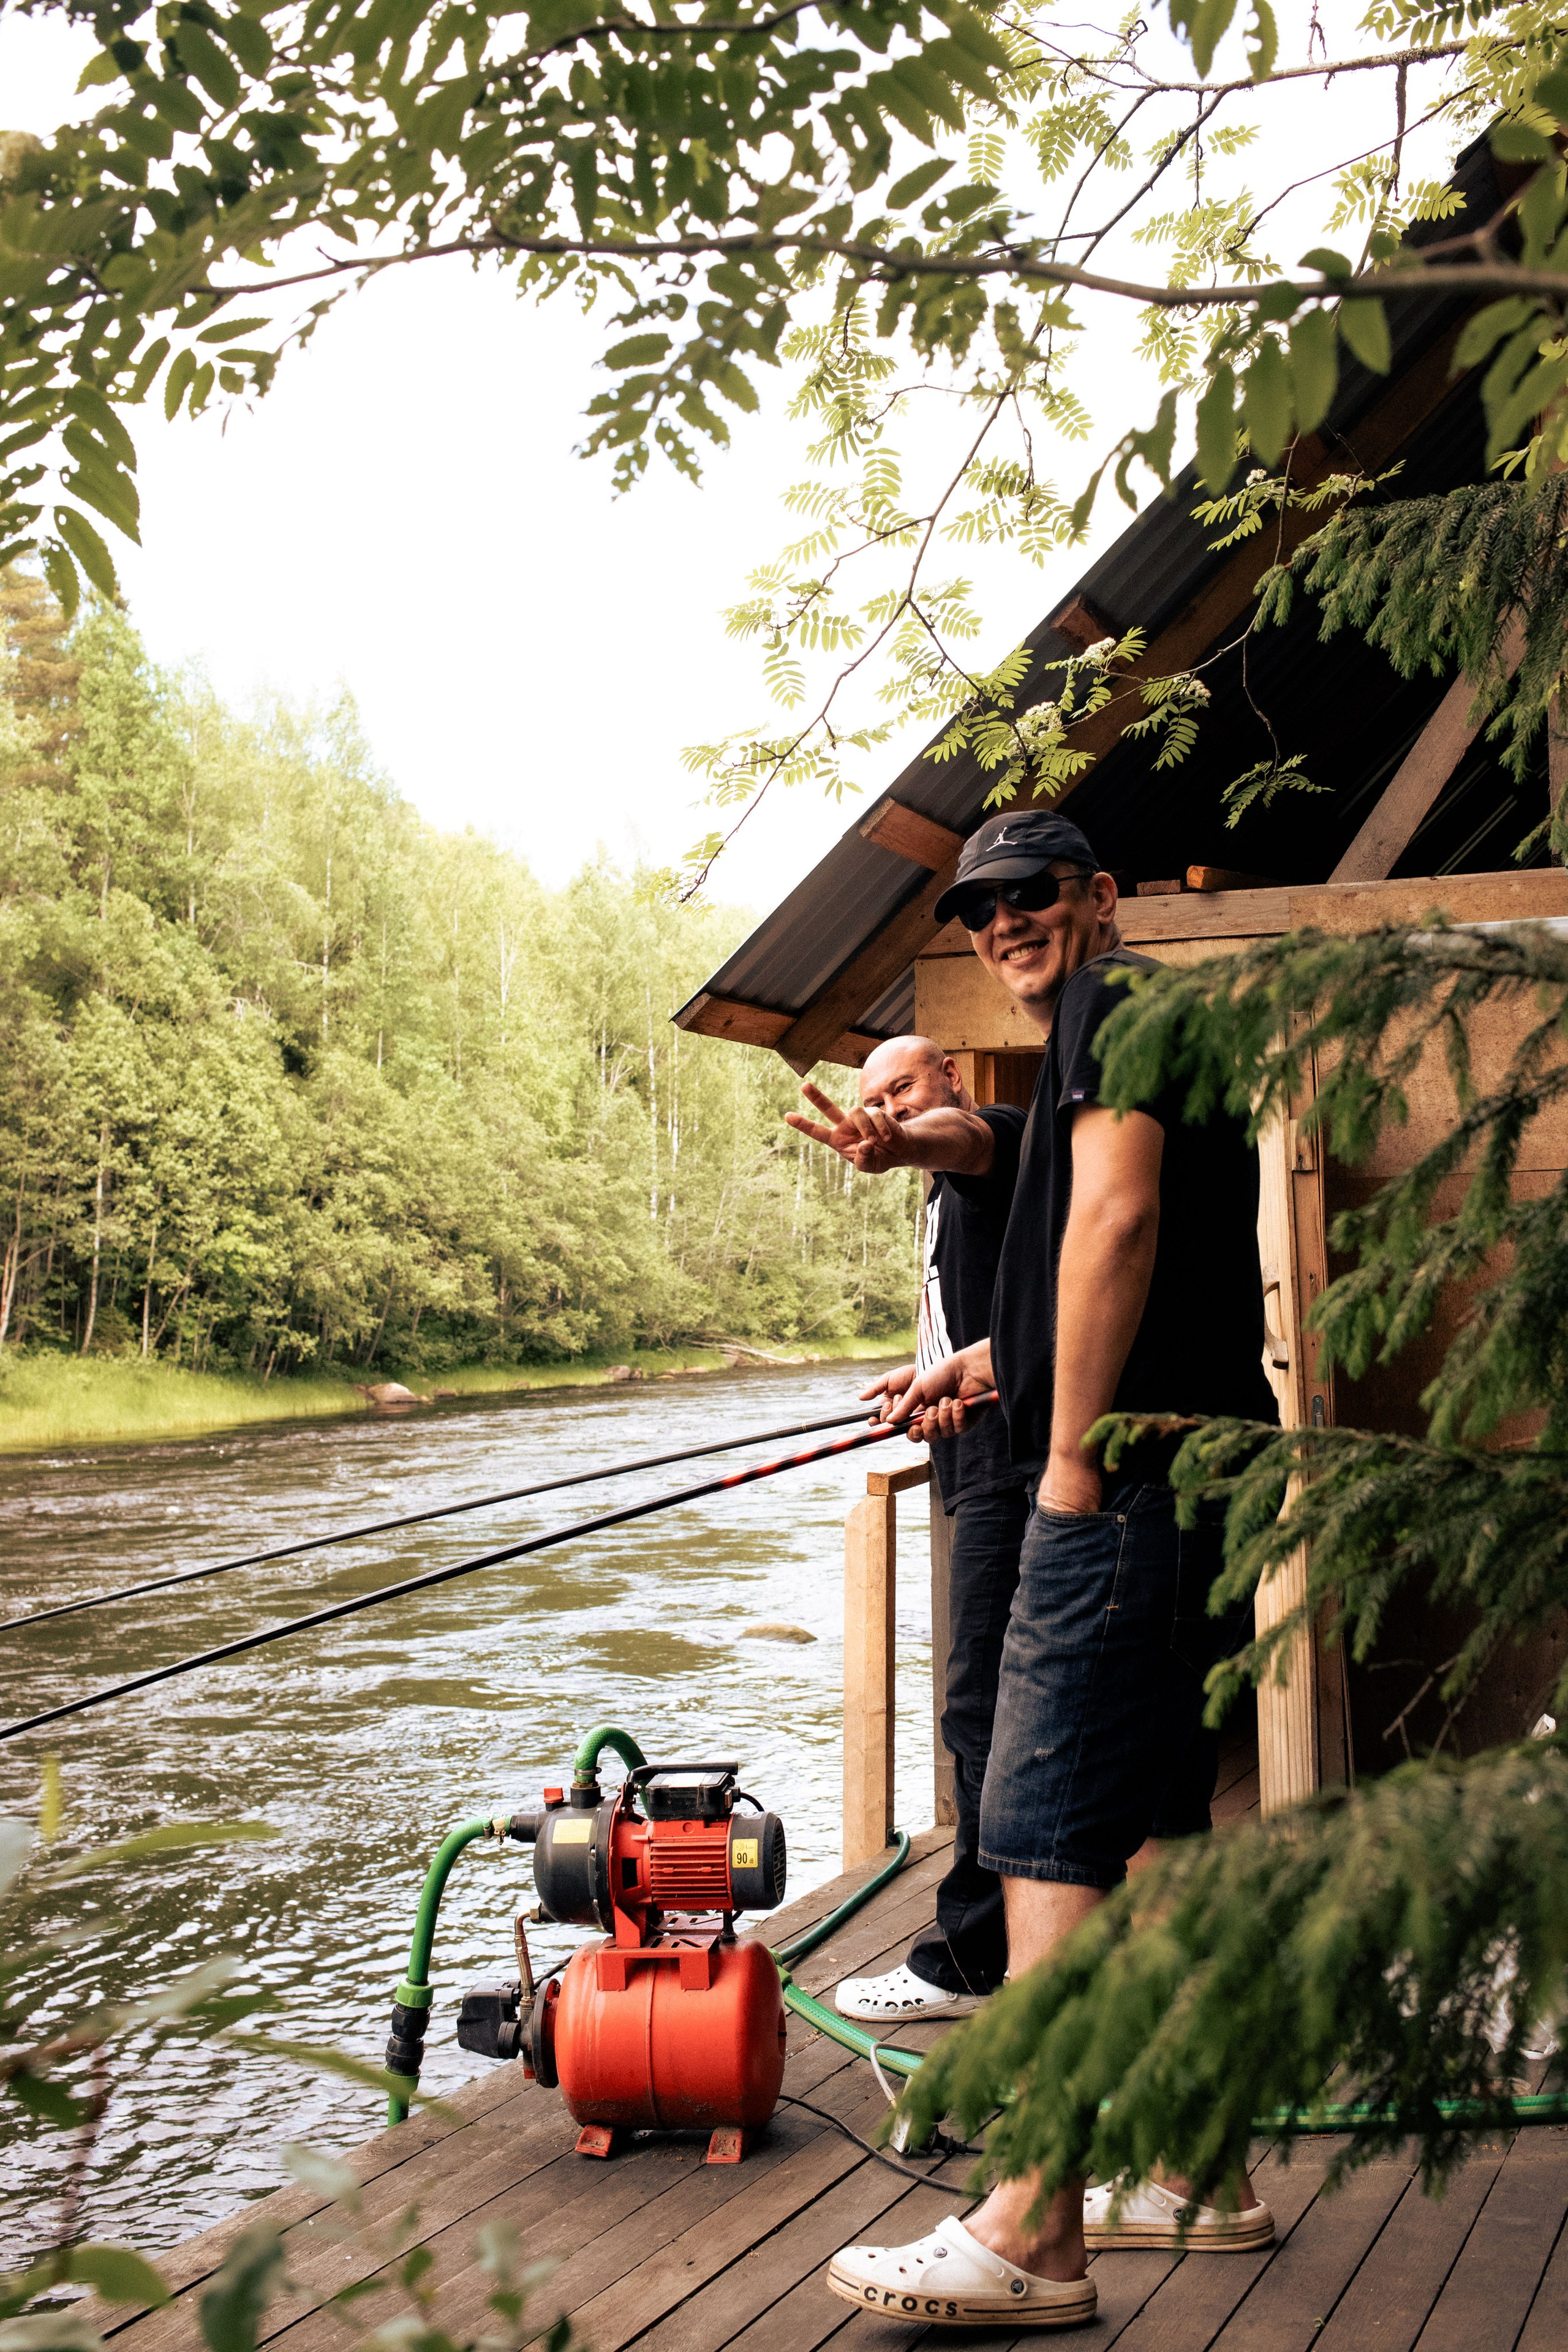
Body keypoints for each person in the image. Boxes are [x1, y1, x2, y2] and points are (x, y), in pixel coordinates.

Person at [826, 812, 1281, 2331]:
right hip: (1200, 1471)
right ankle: (1196, 2171)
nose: (1004, 923)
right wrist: (989, 1363)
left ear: (1097, 898)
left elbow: (1120, 1222)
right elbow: (1084, 1216)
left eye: (1031, 894)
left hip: (1125, 1490)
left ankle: (1033, 2224)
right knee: (1153, 1838)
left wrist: (1070, 1457)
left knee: (1042, 1833)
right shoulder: (1141, 1030)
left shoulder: (1112, 999)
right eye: (976, 910)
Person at [785, 1036, 1029, 2019]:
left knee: (981, 1708)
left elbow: (967, 1143)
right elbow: (982, 1327)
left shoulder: (986, 1148)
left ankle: (973, 1959)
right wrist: (927, 1380)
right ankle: (1016, 1943)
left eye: (901, 1090)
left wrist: (902, 1141)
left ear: (949, 1079)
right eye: (871, 1098)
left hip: (1011, 1470)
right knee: (988, 1706)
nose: (882, 1109)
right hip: (975, 1457)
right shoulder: (941, 1204)